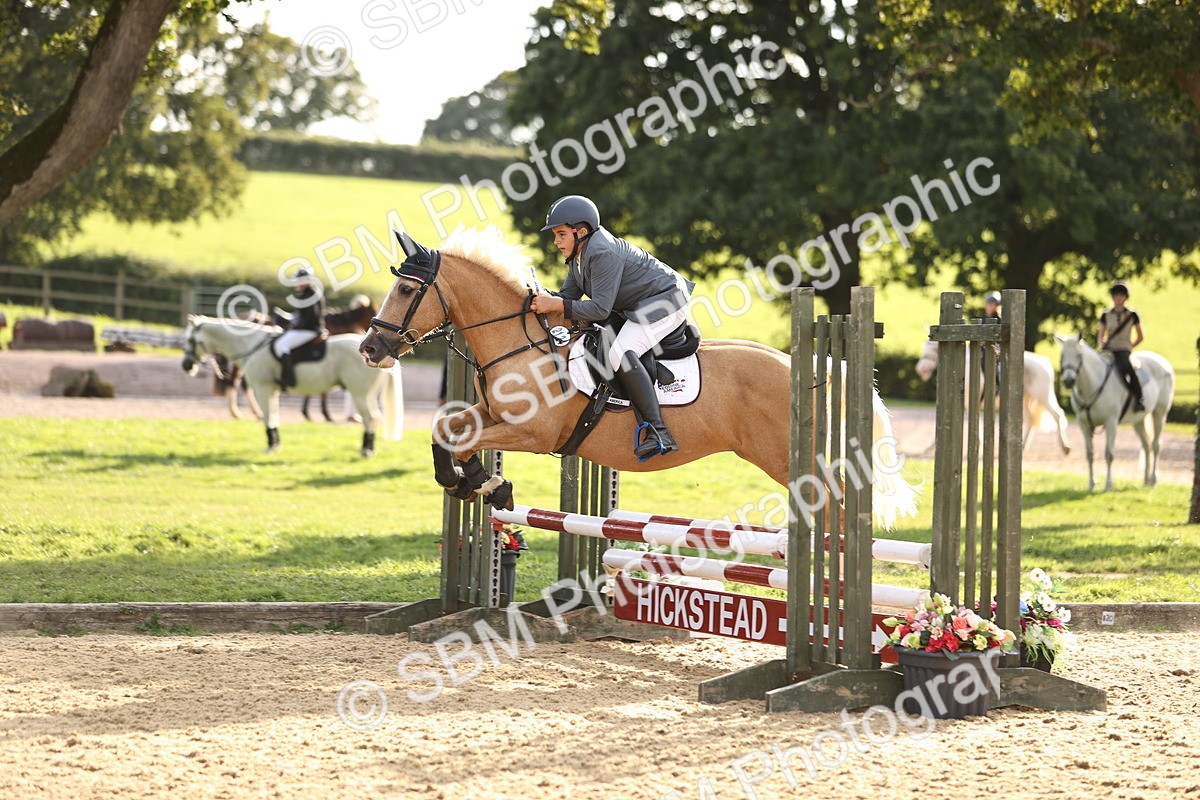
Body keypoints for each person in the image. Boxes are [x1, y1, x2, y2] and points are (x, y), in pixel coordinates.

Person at [530, 195, 695, 459]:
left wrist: (556, 305)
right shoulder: (578, 254)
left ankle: (659, 431)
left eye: (561, 234)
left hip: (666, 302)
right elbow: (567, 298)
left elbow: (598, 309)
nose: (556, 241)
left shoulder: (601, 251)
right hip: (637, 304)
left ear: (580, 231)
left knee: (620, 353)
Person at [271, 267, 325, 388]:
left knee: (281, 346)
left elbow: (312, 316)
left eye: (300, 281)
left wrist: (295, 325)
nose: (298, 283)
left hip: (310, 330)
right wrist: (290, 320)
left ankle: (289, 379)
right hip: (307, 328)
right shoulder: (308, 293)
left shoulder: (310, 294)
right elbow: (303, 315)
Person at [1097, 281, 1144, 411]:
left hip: (1124, 349)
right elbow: (1100, 336)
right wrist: (1103, 346)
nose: (1119, 298)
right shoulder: (1106, 315)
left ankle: (1139, 398)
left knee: (1127, 367)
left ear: (1126, 297)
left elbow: (1141, 336)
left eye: (1122, 295)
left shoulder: (1132, 315)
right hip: (1108, 349)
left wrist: (1130, 346)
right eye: (1116, 295)